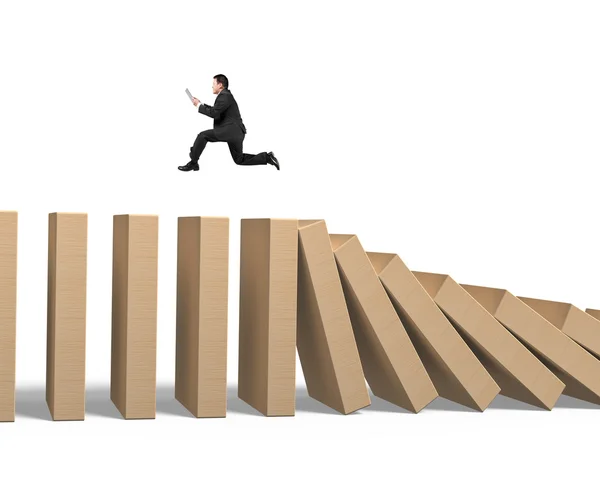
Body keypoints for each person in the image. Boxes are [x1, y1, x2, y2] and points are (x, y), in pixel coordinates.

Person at [179, 74, 280, 171]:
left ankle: (193, 162)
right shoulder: (226, 96)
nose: (212, 86)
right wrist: (200, 104)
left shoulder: (224, 96)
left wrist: (198, 106)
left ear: (220, 85)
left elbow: (214, 113)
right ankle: (267, 157)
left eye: (214, 83)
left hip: (231, 131)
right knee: (239, 159)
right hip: (236, 133)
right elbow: (217, 110)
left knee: (203, 136)